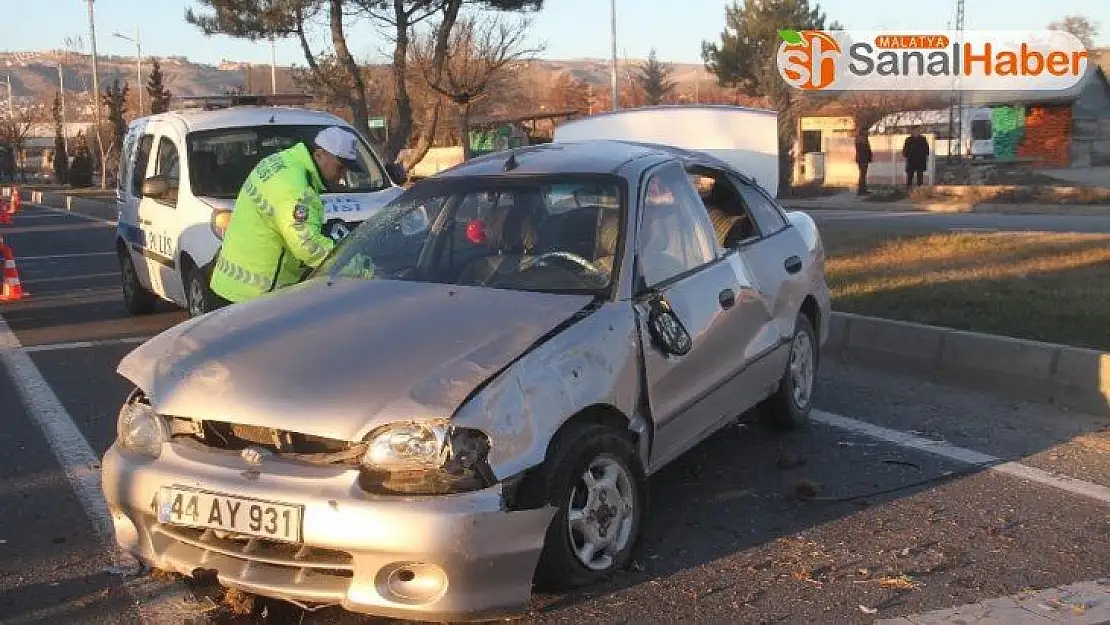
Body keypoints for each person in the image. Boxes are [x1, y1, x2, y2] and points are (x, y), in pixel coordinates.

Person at [209, 126, 365, 308]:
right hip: (254, 297)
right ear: (320, 155)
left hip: (232, 284)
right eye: (340, 168)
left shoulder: (285, 161)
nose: (342, 176)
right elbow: (307, 245)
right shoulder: (295, 188)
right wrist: (356, 267)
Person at [854, 127, 873, 196]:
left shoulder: (858, 138)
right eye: (866, 131)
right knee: (863, 175)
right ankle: (862, 190)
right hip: (863, 158)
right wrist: (869, 156)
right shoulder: (863, 139)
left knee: (862, 174)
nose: (867, 133)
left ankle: (862, 189)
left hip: (860, 158)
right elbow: (866, 149)